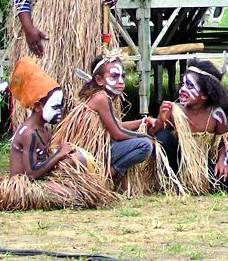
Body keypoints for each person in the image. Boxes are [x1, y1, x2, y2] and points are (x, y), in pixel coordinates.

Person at [0, 58, 115, 210]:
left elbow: (44, 160)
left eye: (60, 107)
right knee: (75, 194)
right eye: (55, 107)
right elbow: (30, 173)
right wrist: (60, 154)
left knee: (78, 160)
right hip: (25, 186)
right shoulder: (29, 133)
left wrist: (67, 157)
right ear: (39, 106)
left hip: (40, 177)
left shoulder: (46, 128)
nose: (59, 112)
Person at [54, 52, 169, 194]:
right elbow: (117, 133)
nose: (121, 81)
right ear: (99, 80)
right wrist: (145, 137)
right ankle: (106, 176)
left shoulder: (100, 96)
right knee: (145, 146)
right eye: (115, 76)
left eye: (123, 76)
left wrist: (143, 121)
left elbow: (117, 125)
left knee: (143, 142)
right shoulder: (101, 98)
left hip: (96, 152)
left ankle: (103, 175)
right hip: (93, 154)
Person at [152, 58, 228, 194]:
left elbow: (224, 143)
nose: (182, 89)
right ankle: (173, 182)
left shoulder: (216, 115)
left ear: (204, 95)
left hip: (202, 165)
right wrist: (160, 120)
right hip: (178, 164)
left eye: (190, 86)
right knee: (164, 136)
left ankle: (197, 182)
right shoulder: (174, 111)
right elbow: (153, 134)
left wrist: (222, 162)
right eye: (182, 84)